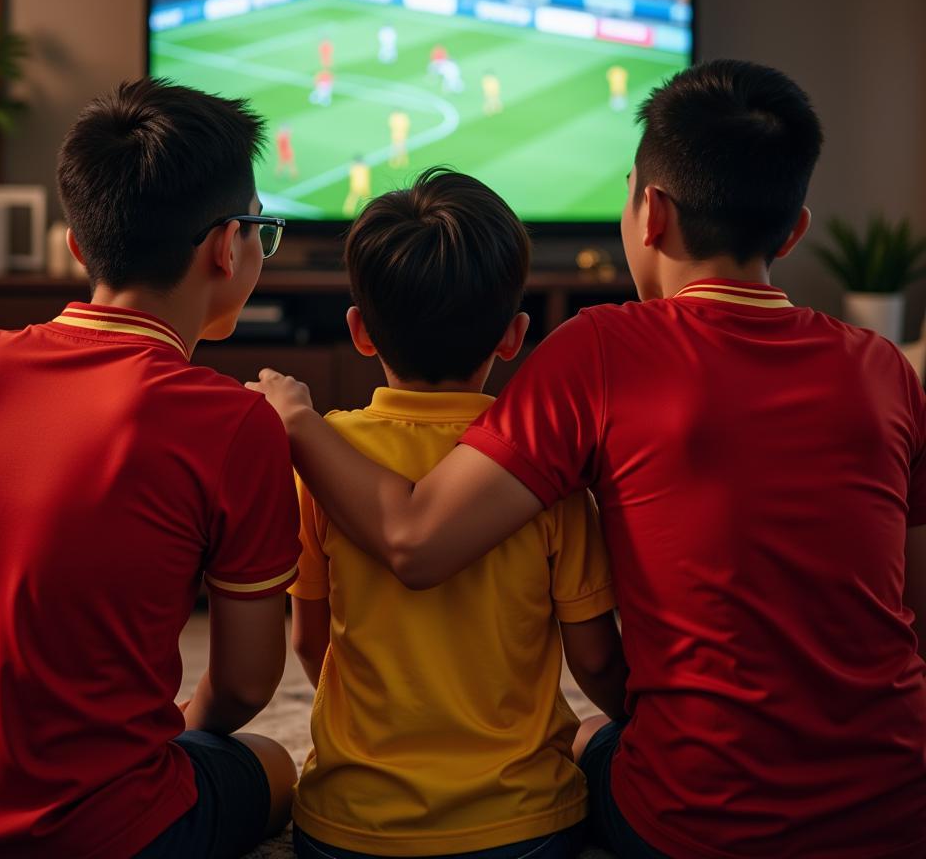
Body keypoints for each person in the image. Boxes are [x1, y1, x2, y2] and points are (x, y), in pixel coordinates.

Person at [249, 60, 926, 859]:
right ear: (793, 230)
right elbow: (906, 608)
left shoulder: (602, 349)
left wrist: (295, 417)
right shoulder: (887, 367)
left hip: (695, 822)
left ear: (651, 214)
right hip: (896, 809)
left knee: (594, 740)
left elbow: (415, 541)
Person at [0, 78, 301, 859]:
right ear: (228, 246)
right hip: (104, 831)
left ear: (80, 246)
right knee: (277, 763)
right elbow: (250, 686)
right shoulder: (235, 421)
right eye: (263, 229)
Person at [289, 167, 627, 859]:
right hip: (524, 827)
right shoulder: (546, 468)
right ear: (514, 336)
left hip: (345, 829)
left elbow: (307, 642)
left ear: (359, 330)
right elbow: (594, 658)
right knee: (604, 740)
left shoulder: (323, 458)